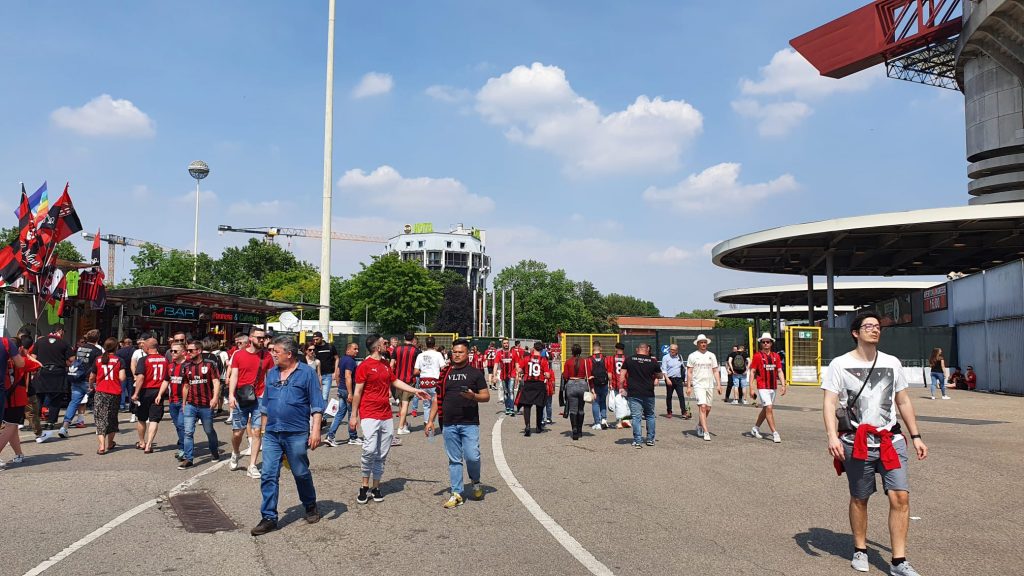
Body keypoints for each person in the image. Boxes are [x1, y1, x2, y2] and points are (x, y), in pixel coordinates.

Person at [822, 311, 928, 576]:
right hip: (856, 441)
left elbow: (902, 401)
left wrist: (915, 436)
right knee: (860, 498)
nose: (874, 330)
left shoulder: (892, 362)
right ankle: (860, 549)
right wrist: (832, 436)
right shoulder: (839, 364)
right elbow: (829, 403)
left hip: (890, 440)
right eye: (868, 326)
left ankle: (898, 561)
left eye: (877, 327)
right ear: (855, 333)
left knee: (900, 496)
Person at [250, 336, 325, 536]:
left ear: (289, 354)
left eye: (276, 351)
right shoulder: (272, 374)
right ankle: (268, 517)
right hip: (273, 433)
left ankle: (310, 505)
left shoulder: (307, 374)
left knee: (300, 472)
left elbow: (317, 405)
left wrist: (316, 430)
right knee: (268, 474)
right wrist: (264, 431)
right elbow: (265, 406)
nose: (272, 354)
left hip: (296, 433)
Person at [350, 334, 429, 504]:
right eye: (384, 343)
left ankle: (376, 487)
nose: (387, 345)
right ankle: (364, 486)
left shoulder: (386, 364)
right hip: (369, 413)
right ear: (377, 347)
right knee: (369, 450)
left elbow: (396, 381)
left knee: (382, 453)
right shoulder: (364, 366)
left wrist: (416, 391)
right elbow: (357, 392)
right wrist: (353, 416)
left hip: (386, 415)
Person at [425, 339, 489, 508]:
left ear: (467, 354)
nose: (457, 354)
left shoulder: (475, 373)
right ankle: (457, 493)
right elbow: (436, 398)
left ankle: (475, 481)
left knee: (472, 456)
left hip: (469, 423)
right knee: (454, 460)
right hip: (449, 423)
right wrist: (430, 421)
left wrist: (473, 396)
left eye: (460, 352)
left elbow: (486, 396)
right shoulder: (445, 373)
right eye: (454, 352)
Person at [227, 327, 273, 479]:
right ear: (251, 338)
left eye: (264, 338)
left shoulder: (267, 356)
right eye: (259, 338)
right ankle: (235, 452)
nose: (262, 340)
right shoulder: (239, 355)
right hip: (241, 397)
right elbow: (234, 375)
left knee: (256, 431)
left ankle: (252, 465)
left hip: (259, 397)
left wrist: (270, 395)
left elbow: (270, 377)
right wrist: (231, 395)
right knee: (238, 432)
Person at [177, 340, 222, 469]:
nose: (188, 353)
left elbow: (216, 382)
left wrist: (214, 398)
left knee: (209, 430)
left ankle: (214, 451)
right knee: (188, 432)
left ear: (199, 351)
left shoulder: (210, 364)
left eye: (191, 350)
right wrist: (184, 403)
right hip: (191, 404)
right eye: (187, 350)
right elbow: (186, 385)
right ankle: (188, 458)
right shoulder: (186, 366)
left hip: (206, 405)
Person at [619, 342, 666, 448]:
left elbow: (622, 376)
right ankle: (650, 439)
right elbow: (660, 376)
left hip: (634, 392)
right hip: (648, 393)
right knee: (650, 416)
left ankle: (637, 441)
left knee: (636, 417)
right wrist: (655, 373)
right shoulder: (653, 361)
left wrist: (621, 387)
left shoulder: (629, 360)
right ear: (647, 350)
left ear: (637, 349)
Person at [31, 326, 73, 442]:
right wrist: (65, 363)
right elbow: (72, 359)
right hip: (58, 373)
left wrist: (36, 369)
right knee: (56, 399)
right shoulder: (64, 343)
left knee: (39, 398)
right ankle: (51, 422)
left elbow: (33, 358)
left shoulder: (40, 341)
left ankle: (36, 423)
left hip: (42, 372)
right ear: (59, 332)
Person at [59, 329, 103, 438]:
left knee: (74, 402)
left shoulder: (80, 349)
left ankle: (64, 426)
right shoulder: (97, 351)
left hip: (77, 378)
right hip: (90, 380)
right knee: (98, 402)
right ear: (97, 339)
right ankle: (99, 427)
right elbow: (98, 367)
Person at [131, 337, 167, 453]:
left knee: (141, 418)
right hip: (159, 391)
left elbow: (140, 377)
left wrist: (136, 393)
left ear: (147, 347)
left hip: (145, 391)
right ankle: (149, 444)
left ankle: (142, 442)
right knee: (154, 419)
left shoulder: (143, 359)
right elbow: (167, 378)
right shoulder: (165, 360)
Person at [748, 333, 786, 443]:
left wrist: (783, 385)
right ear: (761, 344)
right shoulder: (757, 356)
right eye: (763, 342)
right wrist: (751, 387)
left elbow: (779, 371)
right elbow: (752, 371)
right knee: (769, 408)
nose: (765, 344)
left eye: (767, 342)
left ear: (771, 343)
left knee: (766, 409)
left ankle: (755, 428)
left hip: (773, 386)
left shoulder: (776, 356)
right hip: (762, 386)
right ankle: (775, 432)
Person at [89, 338, 124, 455]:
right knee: (112, 418)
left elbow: (91, 377)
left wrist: (91, 386)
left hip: (100, 391)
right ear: (116, 347)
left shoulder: (98, 359)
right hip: (115, 392)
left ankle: (101, 445)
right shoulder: (119, 360)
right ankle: (110, 443)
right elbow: (122, 378)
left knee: (100, 418)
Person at [686, 334, 722, 441]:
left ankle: (699, 425)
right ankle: (706, 431)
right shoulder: (692, 355)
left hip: (709, 385)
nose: (703, 344)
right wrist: (689, 386)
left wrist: (719, 384)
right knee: (702, 406)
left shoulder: (712, 355)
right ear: (697, 344)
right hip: (698, 385)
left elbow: (715, 370)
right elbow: (689, 371)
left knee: (708, 408)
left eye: (704, 342)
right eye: (701, 342)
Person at [325, 342, 360, 446]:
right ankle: (353, 437)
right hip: (348, 390)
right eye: (355, 349)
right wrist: (350, 393)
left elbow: (337, 374)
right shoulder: (350, 361)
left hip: (342, 389)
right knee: (351, 413)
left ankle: (330, 436)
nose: (357, 351)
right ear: (348, 350)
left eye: (357, 349)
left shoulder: (342, 359)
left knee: (340, 413)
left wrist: (340, 387)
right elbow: (347, 376)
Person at [0, 335, 26, 467]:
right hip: (16, 397)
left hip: (6, 395)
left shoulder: (6, 360)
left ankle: (19, 453)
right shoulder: (20, 359)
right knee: (10, 426)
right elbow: (37, 365)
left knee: (13, 426)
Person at [519, 342, 554, 437]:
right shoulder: (543, 360)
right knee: (539, 406)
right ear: (542, 350)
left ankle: (527, 425)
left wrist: (523, 371)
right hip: (539, 384)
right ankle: (538, 426)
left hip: (528, 383)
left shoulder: (526, 359)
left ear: (533, 348)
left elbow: (519, 369)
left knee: (527, 405)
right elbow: (547, 374)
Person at [412, 336, 444, 436]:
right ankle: (437, 424)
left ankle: (427, 425)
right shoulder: (438, 354)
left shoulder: (421, 355)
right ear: (434, 344)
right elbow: (443, 368)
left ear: (426, 344)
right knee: (437, 404)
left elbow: (416, 371)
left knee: (426, 405)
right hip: (435, 381)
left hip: (424, 381)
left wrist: (424, 370)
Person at [391, 333, 420, 437]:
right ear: (413, 339)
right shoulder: (416, 351)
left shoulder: (397, 349)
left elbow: (391, 364)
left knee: (400, 403)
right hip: (409, 379)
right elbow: (418, 367)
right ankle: (401, 427)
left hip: (398, 379)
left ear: (404, 338)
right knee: (405, 403)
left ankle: (404, 423)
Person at [165, 340, 188, 460]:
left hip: (184, 402)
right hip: (172, 401)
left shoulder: (188, 365)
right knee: (178, 426)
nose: (172, 353)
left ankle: (184, 449)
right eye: (171, 351)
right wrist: (159, 395)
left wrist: (185, 402)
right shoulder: (170, 365)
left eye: (175, 351)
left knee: (181, 424)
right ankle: (184, 446)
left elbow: (187, 385)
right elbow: (166, 380)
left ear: (183, 352)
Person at [589, 341, 614, 430]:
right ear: (601, 348)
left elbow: (588, 374)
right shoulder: (606, 359)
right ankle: (604, 419)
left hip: (594, 384)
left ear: (592, 348)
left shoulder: (589, 359)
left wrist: (591, 387)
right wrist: (610, 383)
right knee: (603, 401)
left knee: (595, 403)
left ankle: (597, 423)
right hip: (604, 384)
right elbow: (610, 374)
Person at [661, 343, 689, 418]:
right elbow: (664, 369)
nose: (672, 351)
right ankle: (669, 411)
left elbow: (683, 368)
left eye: (673, 349)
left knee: (681, 396)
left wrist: (685, 380)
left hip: (678, 379)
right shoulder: (665, 357)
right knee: (669, 396)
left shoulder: (679, 357)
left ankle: (684, 412)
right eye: (671, 349)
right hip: (669, 379)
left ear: (677, 350)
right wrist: (667, 379)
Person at [310, 332, 339, 403]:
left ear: (322, 337)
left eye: (317, 339)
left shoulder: (330, 347)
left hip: (327, 375)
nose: (315, 341)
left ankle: (322, 413)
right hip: (316, 376)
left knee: (324, 397)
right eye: (314, 339)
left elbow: (337, 358)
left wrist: (335, 372)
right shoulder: (313, 348)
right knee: (315, 396)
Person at [492, 339, 518, 416]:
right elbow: (496, 365)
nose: (506, 344)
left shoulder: (513, 353)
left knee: (511, 390)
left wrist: (517, 375)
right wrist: (494, 376)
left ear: (509, 344)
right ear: (502, 344)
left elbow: (517, 364)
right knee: (506, 392)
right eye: (504, 343)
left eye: (507, 343)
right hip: (503, 376)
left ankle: (512, 408)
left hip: (512, 375)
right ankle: (507, 408)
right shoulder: (499, 353)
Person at [115, 337, 136, 412]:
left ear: (124, 343)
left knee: (122, 390)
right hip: (131, 373)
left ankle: (122, 405)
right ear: (130, 343)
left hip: (122, 373)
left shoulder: (119, 352)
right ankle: (131, 405)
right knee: (131, 390)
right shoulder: (135, 351)